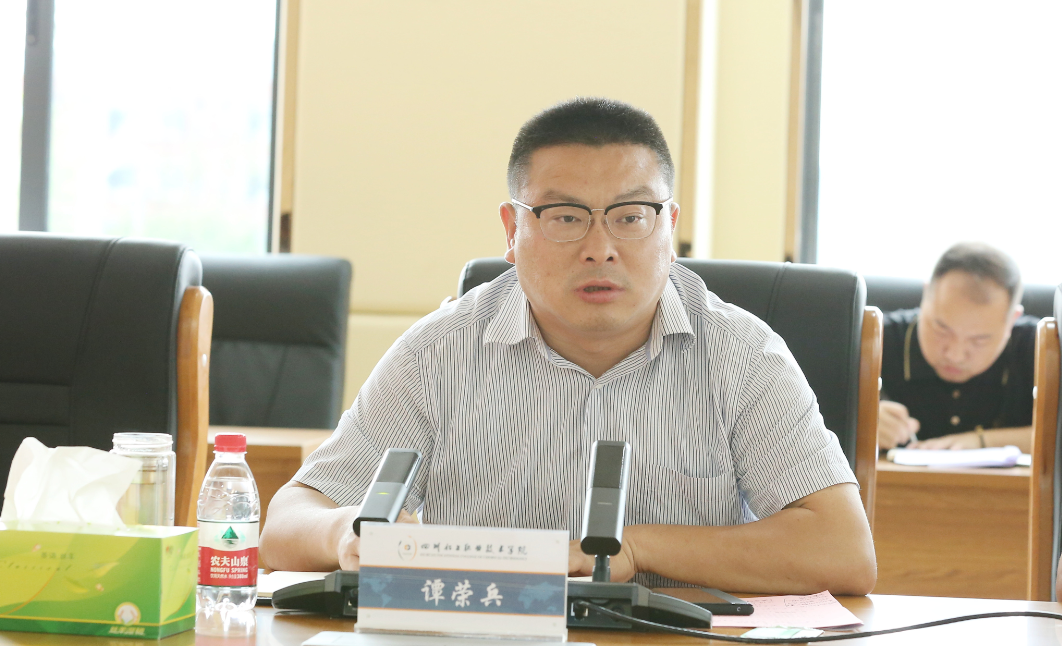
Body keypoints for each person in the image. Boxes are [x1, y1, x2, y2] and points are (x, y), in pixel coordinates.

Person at [259, 97, 876, 595]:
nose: (600, 248)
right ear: (512, 229)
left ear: (669, 228)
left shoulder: (741, 355)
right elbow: (287, 522)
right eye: (565, 217)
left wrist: (636, 547)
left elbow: (842, 550)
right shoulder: (439, 353)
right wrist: (346, 534)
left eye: (630, 216)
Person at [877, 243, 1037, 451]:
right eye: (941, 329)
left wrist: (982, 442)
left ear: (1012, 321)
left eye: (979, 340)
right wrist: (861, 421)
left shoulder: (1044, 350)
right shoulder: (872, 339)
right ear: (925, 296)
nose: (955, 355)